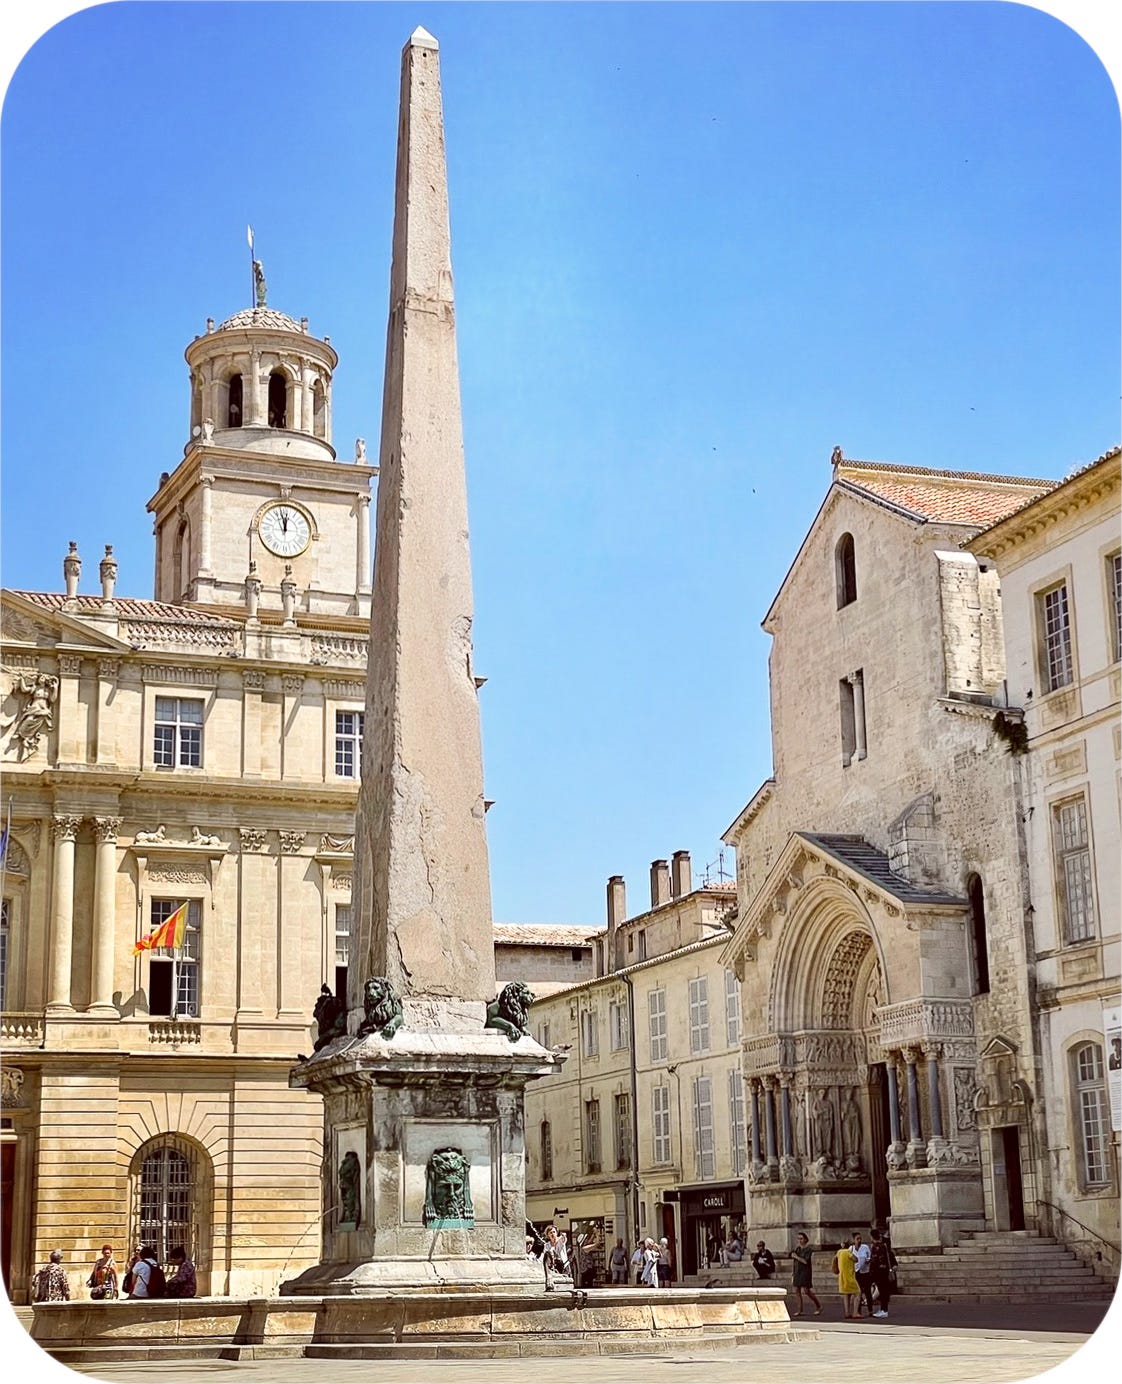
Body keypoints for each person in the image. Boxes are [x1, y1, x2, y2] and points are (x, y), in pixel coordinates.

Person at [790, 1232, 822, 1317]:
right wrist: (793, 1273)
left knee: (806, 1290)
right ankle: (800, 1310)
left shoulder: (808, 1250)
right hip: (797, 1272)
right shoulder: (798, 1249)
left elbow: (805, 1261)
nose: (799, 1241)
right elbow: (795, 1263)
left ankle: (818, 1305)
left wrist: (796, 1257)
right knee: (797, 1290)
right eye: (798, 1239)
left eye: (801, 1239)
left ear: (805, 1239)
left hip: (805, 1272)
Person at [833, 1238, 859, 1319]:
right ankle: (855, 1313)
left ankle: (847, 1312)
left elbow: (835, 1259)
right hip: (849, 1276)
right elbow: (855, 1259)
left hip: (842, 1277)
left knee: (846, 1295)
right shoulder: (848, 1252)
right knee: (857, 1293)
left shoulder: (839, 1252)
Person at [869, 1229, 892, 1318]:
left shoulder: (876, 1247)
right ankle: (883, 1309)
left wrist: (871, 1271)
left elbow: (874, 1260)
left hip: (879, 1271)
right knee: (883, 1291)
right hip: (884, 1270)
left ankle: (884, 1310)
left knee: (882, 1291)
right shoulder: (883, 1245)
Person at [852, 1231, 874, 1317]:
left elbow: (869, 1257)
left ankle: (870, 1310)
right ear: (854, 1240)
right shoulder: (851, 1249)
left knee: (868, 1291)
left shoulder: (865, 1247)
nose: (859, 1240)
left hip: (865, 1272)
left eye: (860, 1239)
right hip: (856, 1272)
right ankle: (858, 1310)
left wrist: (868, 1261)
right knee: (858, 1292)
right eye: (857, 1239)